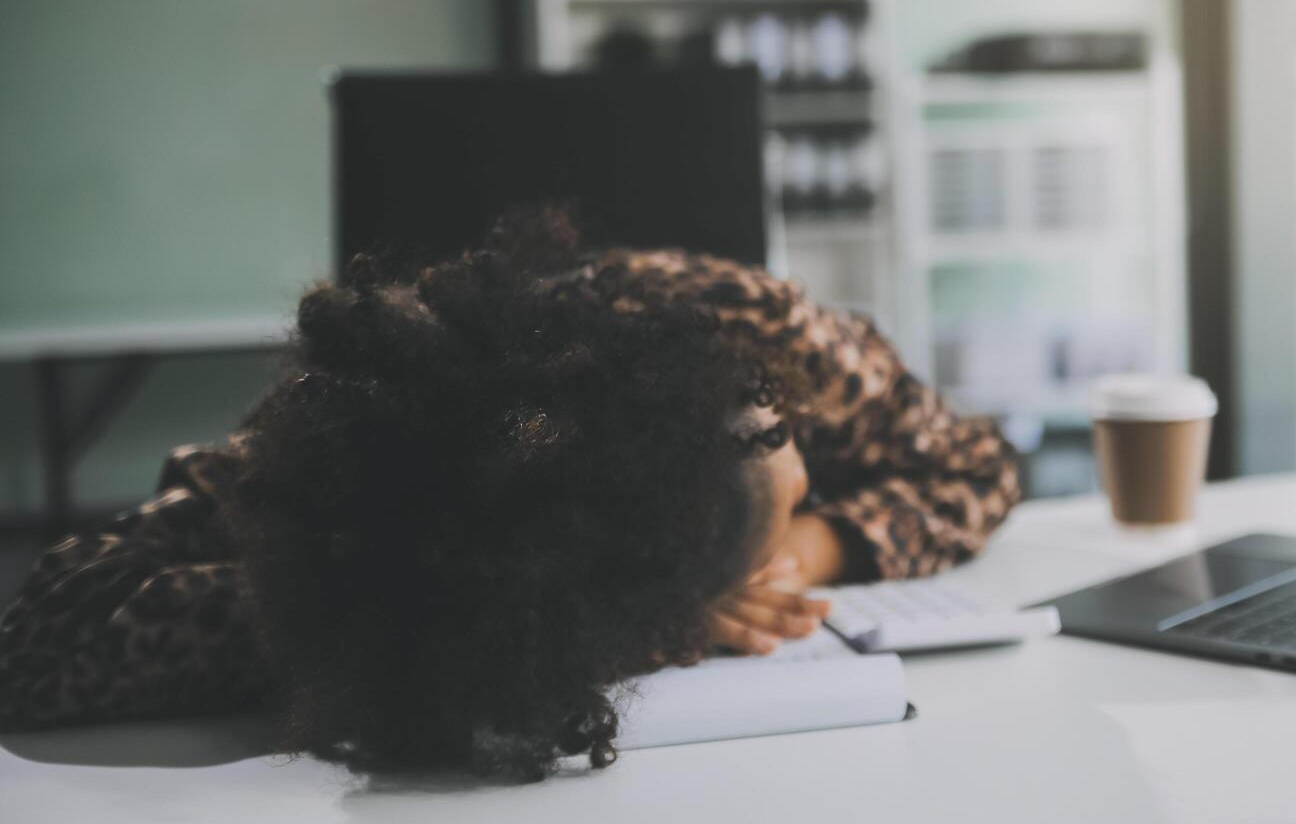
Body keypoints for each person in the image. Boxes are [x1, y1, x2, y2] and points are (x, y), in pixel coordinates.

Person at [0, 208, 1021, 780]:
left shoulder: (770, 338)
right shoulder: (391, 419)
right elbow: (40, 642)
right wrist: (389, 606)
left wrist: (802, 550)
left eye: (790, 472)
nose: (793, 459)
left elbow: (978, 463)